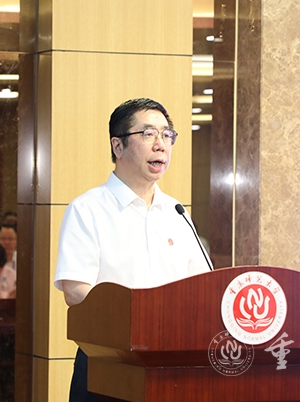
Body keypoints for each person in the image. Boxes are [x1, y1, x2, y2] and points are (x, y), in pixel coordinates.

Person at [54, 98, 212, 401]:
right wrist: (140, 321)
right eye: (148, 134)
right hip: (108, 362)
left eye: (167, 135)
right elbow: (75, 291)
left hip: (171, 362)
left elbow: (201, 287)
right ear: (118, 146)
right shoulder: (88, 209)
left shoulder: (176, 212)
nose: (161, 145)